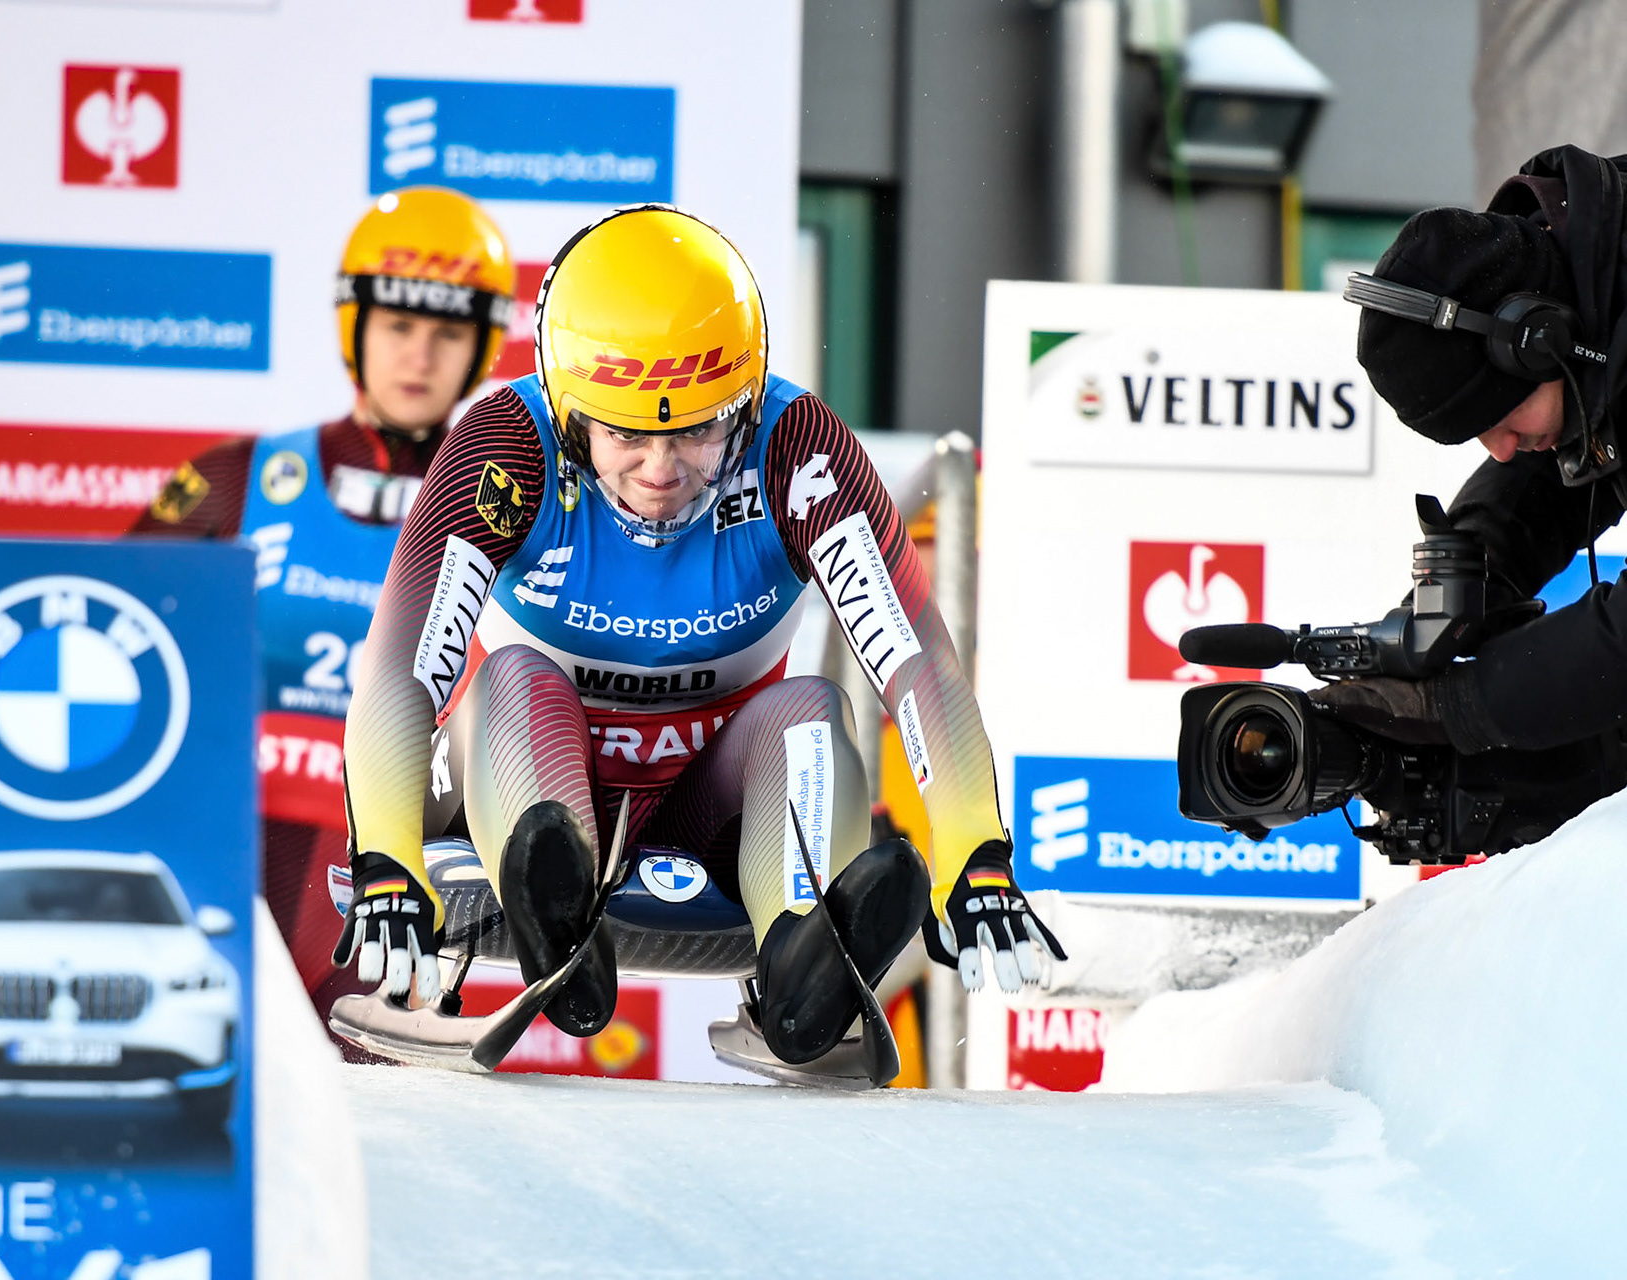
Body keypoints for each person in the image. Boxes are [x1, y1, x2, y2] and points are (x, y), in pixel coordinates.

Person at [331, 204, 1064, 1065]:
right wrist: (385, 852)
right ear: (569, 417)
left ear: (745, 406)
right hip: (522, 784)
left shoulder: (799, 450)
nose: (662, 469)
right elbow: (404, 664)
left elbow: (914, 657)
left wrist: (975, 854)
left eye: (698, 429)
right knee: (516, 676)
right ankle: (558, 923)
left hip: (712, 799)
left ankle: (803, 958)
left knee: (809, 706)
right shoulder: (506, 447)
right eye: (625, 435)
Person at [128, 186, 514, 1016]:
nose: (420, 356)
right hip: (228, 864)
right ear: (356, 328)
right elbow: (109, 647)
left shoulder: (511, 508)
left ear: (481, 347)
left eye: (448, 332)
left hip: (400, 883)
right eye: (400, 326)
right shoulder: (239, 482)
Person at [1324, 145, 1627, 756]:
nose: (1503, 450)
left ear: (1539, 337)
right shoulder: (1597, 304)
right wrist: (1462, 589)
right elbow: (1567, 448)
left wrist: (1466, 704)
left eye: (1497, 416)